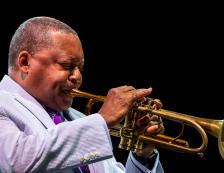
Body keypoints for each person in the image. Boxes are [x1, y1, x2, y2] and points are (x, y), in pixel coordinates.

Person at [0, 16, 164, 173]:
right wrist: (103, 119)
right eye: (67, 65)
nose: (78, 77)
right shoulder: (3, 103)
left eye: (80, 68)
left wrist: (142, 157)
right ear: (25, 63)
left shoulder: (80, 120)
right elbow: (16, 162)